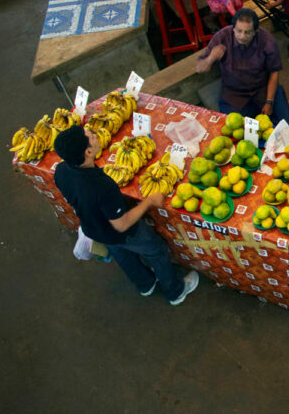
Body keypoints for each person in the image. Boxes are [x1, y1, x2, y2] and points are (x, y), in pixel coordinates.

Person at [52, 126, 199, 305]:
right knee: (156, 250)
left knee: (122, 255)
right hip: (121, 231)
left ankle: (145, 284)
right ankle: (175, 291)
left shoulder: (61, 170)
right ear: (88, 151)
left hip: (93, 227)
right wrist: (149, 201)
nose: (96, 135)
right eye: (91, 137)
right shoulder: (102, 187)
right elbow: (121, 225)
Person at [196, 7, 289, 127]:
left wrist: (269, 102)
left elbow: (274, 72)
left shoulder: (267, 40)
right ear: (233, 29)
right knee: (235, 132)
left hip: (262, 90)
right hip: (234, 95)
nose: (242, 36)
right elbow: (200, 68)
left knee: (286, 126)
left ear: (255, 31)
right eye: (238, 31)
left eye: (247, 32)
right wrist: (210, 58)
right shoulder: (222, 37)